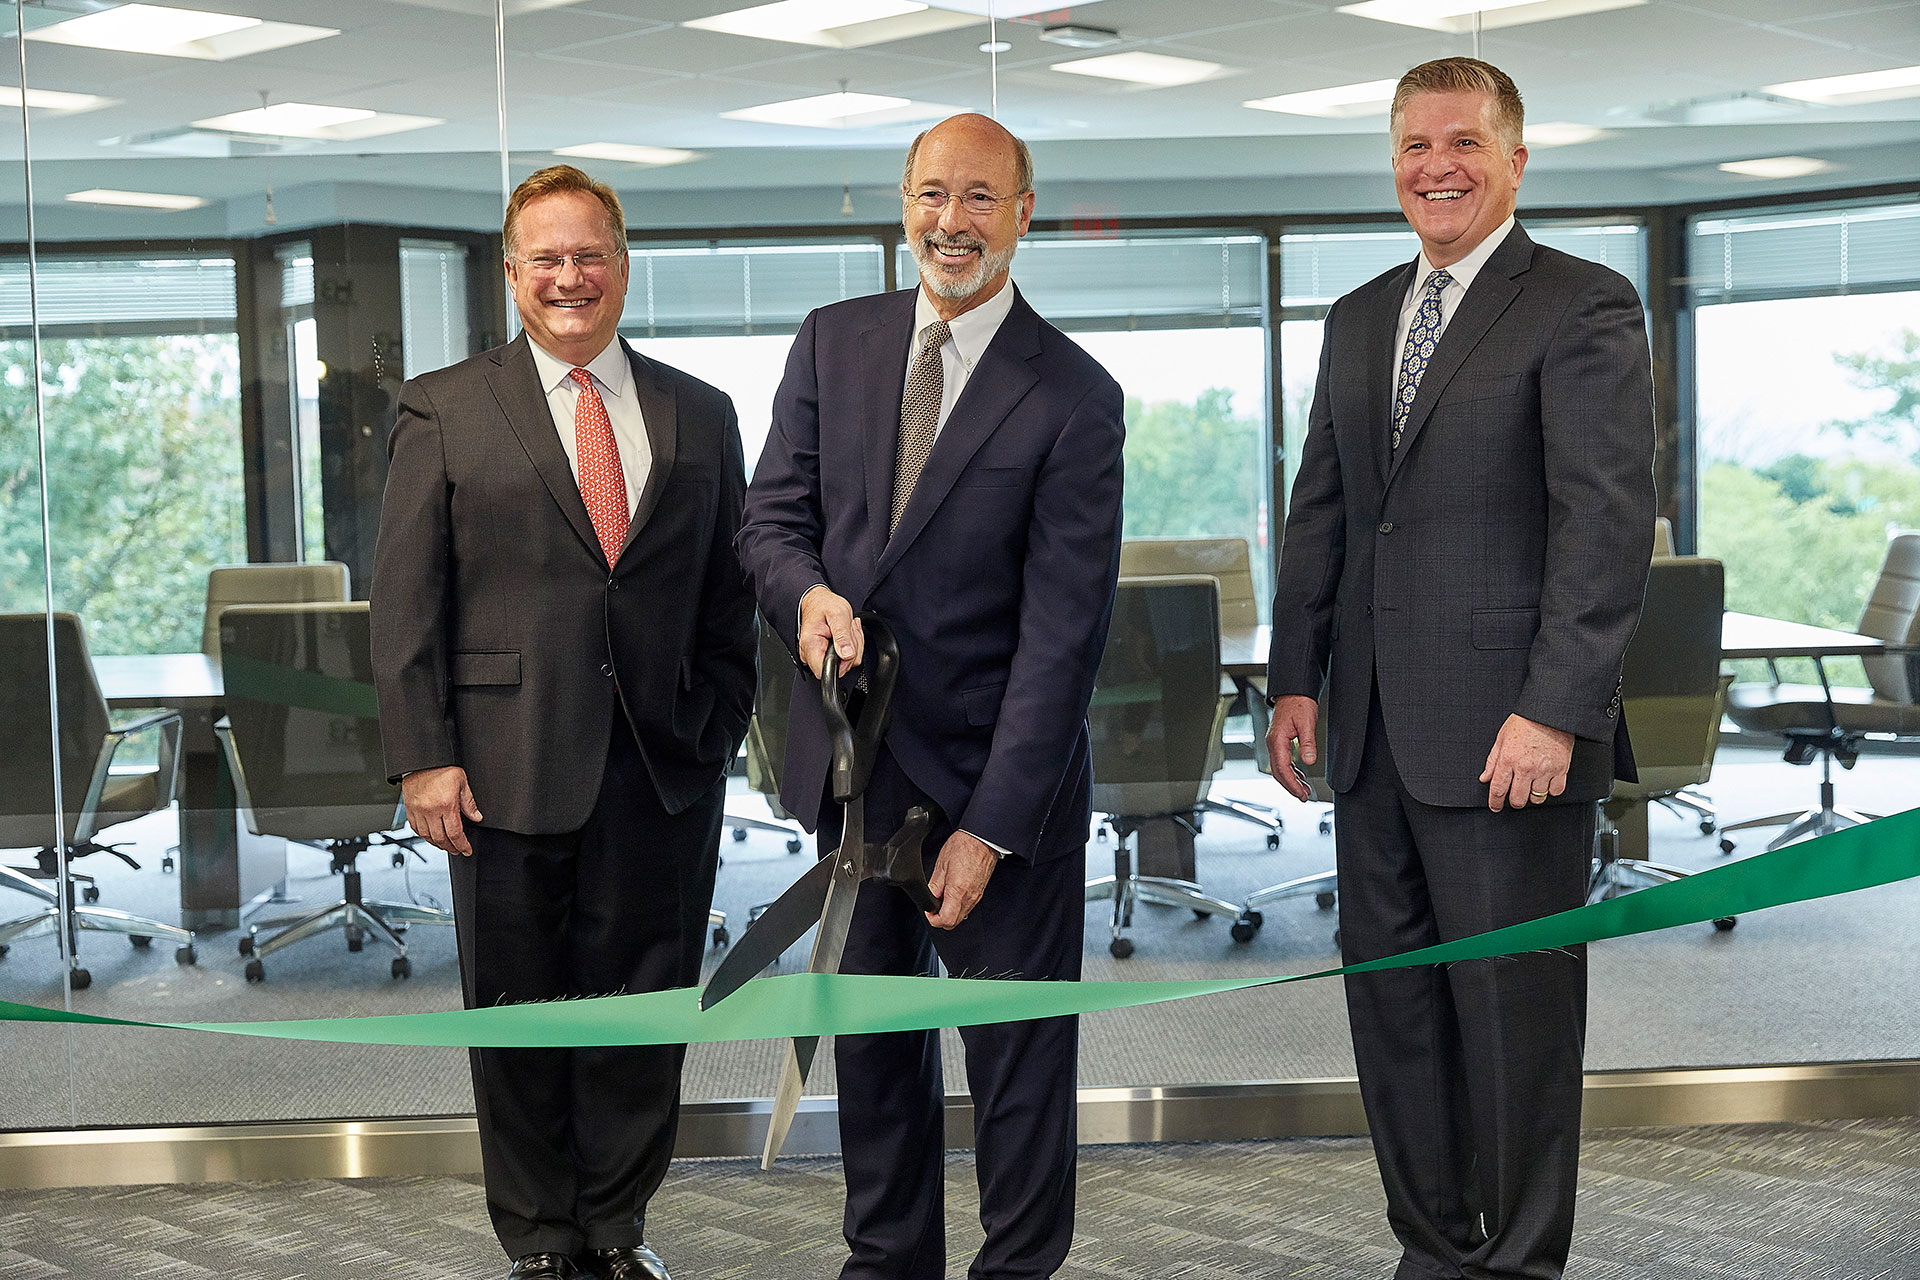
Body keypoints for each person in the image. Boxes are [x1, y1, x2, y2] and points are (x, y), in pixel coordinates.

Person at [1263, 58, 1654, 1280]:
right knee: (1396, 1021)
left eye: (1465, 143)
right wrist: (1294, 678)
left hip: (1510, 745)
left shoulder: (1582, 305)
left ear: (1517, 159)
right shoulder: (1362, 313)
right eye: (1415, 145)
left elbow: (1603, 524)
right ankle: (1432, 1250)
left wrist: (1554, 709)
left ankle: (1522, 1259)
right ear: (1392, 163)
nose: (1438, 165)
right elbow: (1321, 510)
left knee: (1513, 1028)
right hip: (1371, 735)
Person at [735, 112, 1125, 1280]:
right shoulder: (831, 341)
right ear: (904, 203)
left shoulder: (1072, 395)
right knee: (875, 1057)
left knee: (1014, 1064)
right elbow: (770, 521)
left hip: (1001, 793)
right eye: (933, 195)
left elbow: (1064, 639)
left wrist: (991, 830)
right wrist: (803, 595)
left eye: (980, 199)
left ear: (1022, 214)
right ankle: (888, 1260)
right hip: (857, 772)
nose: (952, 223)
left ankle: (1017, 1267)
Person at [370, 164, 756, 1280]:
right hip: (499, 768)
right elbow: (405, 603)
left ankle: (617, 1224)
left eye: (589, 254)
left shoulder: (700, 410)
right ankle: (541, 1237)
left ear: (623, 264)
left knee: (642, 1013)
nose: (570, 277)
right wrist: (424, 754)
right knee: (519, 1013)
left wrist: (719, 721)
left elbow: (729, 594)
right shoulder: (443, 406)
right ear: (511, 273)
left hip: (662, 765)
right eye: (546, 258)